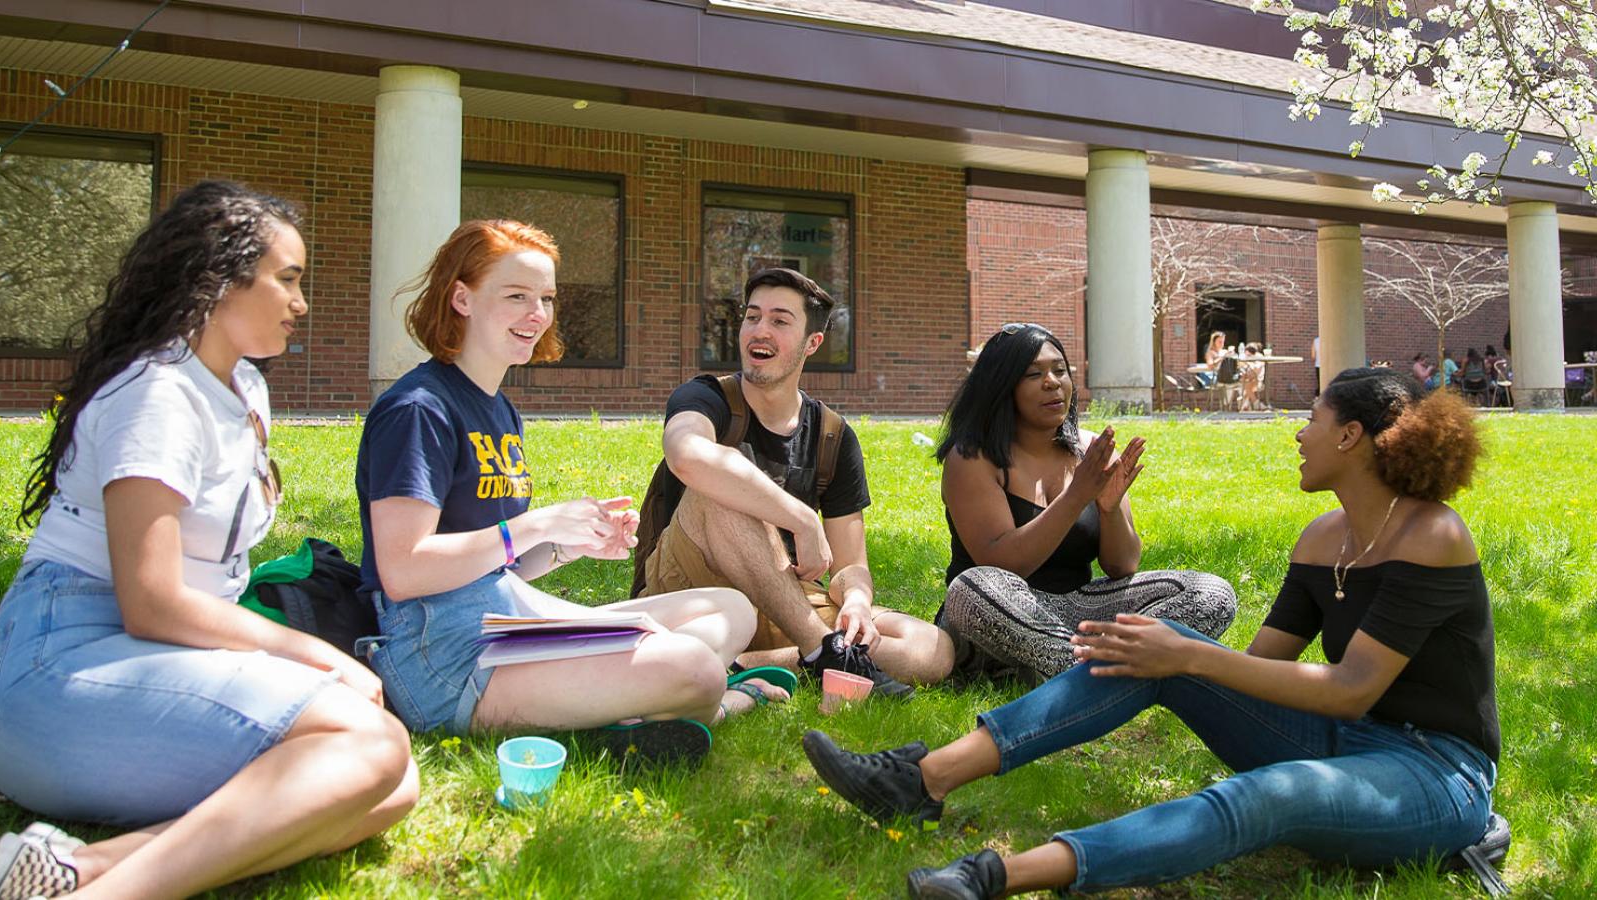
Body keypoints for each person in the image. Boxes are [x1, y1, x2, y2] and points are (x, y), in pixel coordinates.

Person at [805, 367, 1498, 899]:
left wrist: (1191, 653)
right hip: (1336, 740)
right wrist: (1171, 656)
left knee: (1267, 795)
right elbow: (1255, 668)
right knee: (1153, 647)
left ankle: (990, 877)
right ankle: (920, 778)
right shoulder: (1323, 538)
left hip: (1432, 774)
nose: (1298, 433)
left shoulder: (1432, 535)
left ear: (1349, 436)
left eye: (1312, 418)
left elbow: (1350, 689)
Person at [0, 181, 417, 900]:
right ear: (217, 281)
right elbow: (152, 602)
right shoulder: (157, 394)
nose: (301, 303)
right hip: (61, 667)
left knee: (390, 783)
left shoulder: (244, 388)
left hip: (162, 656)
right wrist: (316, 655)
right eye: (287, 279)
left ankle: (77, 870)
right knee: (367, 747)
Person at [355, 219, 771, 764]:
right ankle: (701, 702)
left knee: (731, 608)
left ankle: (633, 707)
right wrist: (537, 524)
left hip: (506, 617)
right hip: (445, 658)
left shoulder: (499, 409)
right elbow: (404, 572)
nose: (537, 314)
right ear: (462, 298)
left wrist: (568, 546)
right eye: (517, 296)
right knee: (693, 667)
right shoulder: (418, 410)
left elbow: (493, 567)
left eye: (546, 298)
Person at [637, 267, 954, 697]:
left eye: (779, 321)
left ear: (812, 343)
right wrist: (803, 519)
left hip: (781, 597)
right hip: (691, 589)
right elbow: (687, 455)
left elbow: (849, 564)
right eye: (752, 317)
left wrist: (858, 599)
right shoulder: (705, 398)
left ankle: (737, 664)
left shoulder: (831, 435)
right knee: (723, 486)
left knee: (931, 648)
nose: (759, 331)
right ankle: (824, 653)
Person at [934, 323, 1235, 683]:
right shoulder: (971, 457)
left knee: (1209, 593)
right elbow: (1001, 563)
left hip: (1079, 607)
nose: (1052, 382)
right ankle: (1096, 669)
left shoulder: (1089, 450)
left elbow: (1123, 565)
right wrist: (1076, 496)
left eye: (1060, 370)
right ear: (1002, 387)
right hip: (1000, 611)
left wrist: (1109, 510)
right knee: (972, 588)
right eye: (1033, 374)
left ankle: (1067, 665)